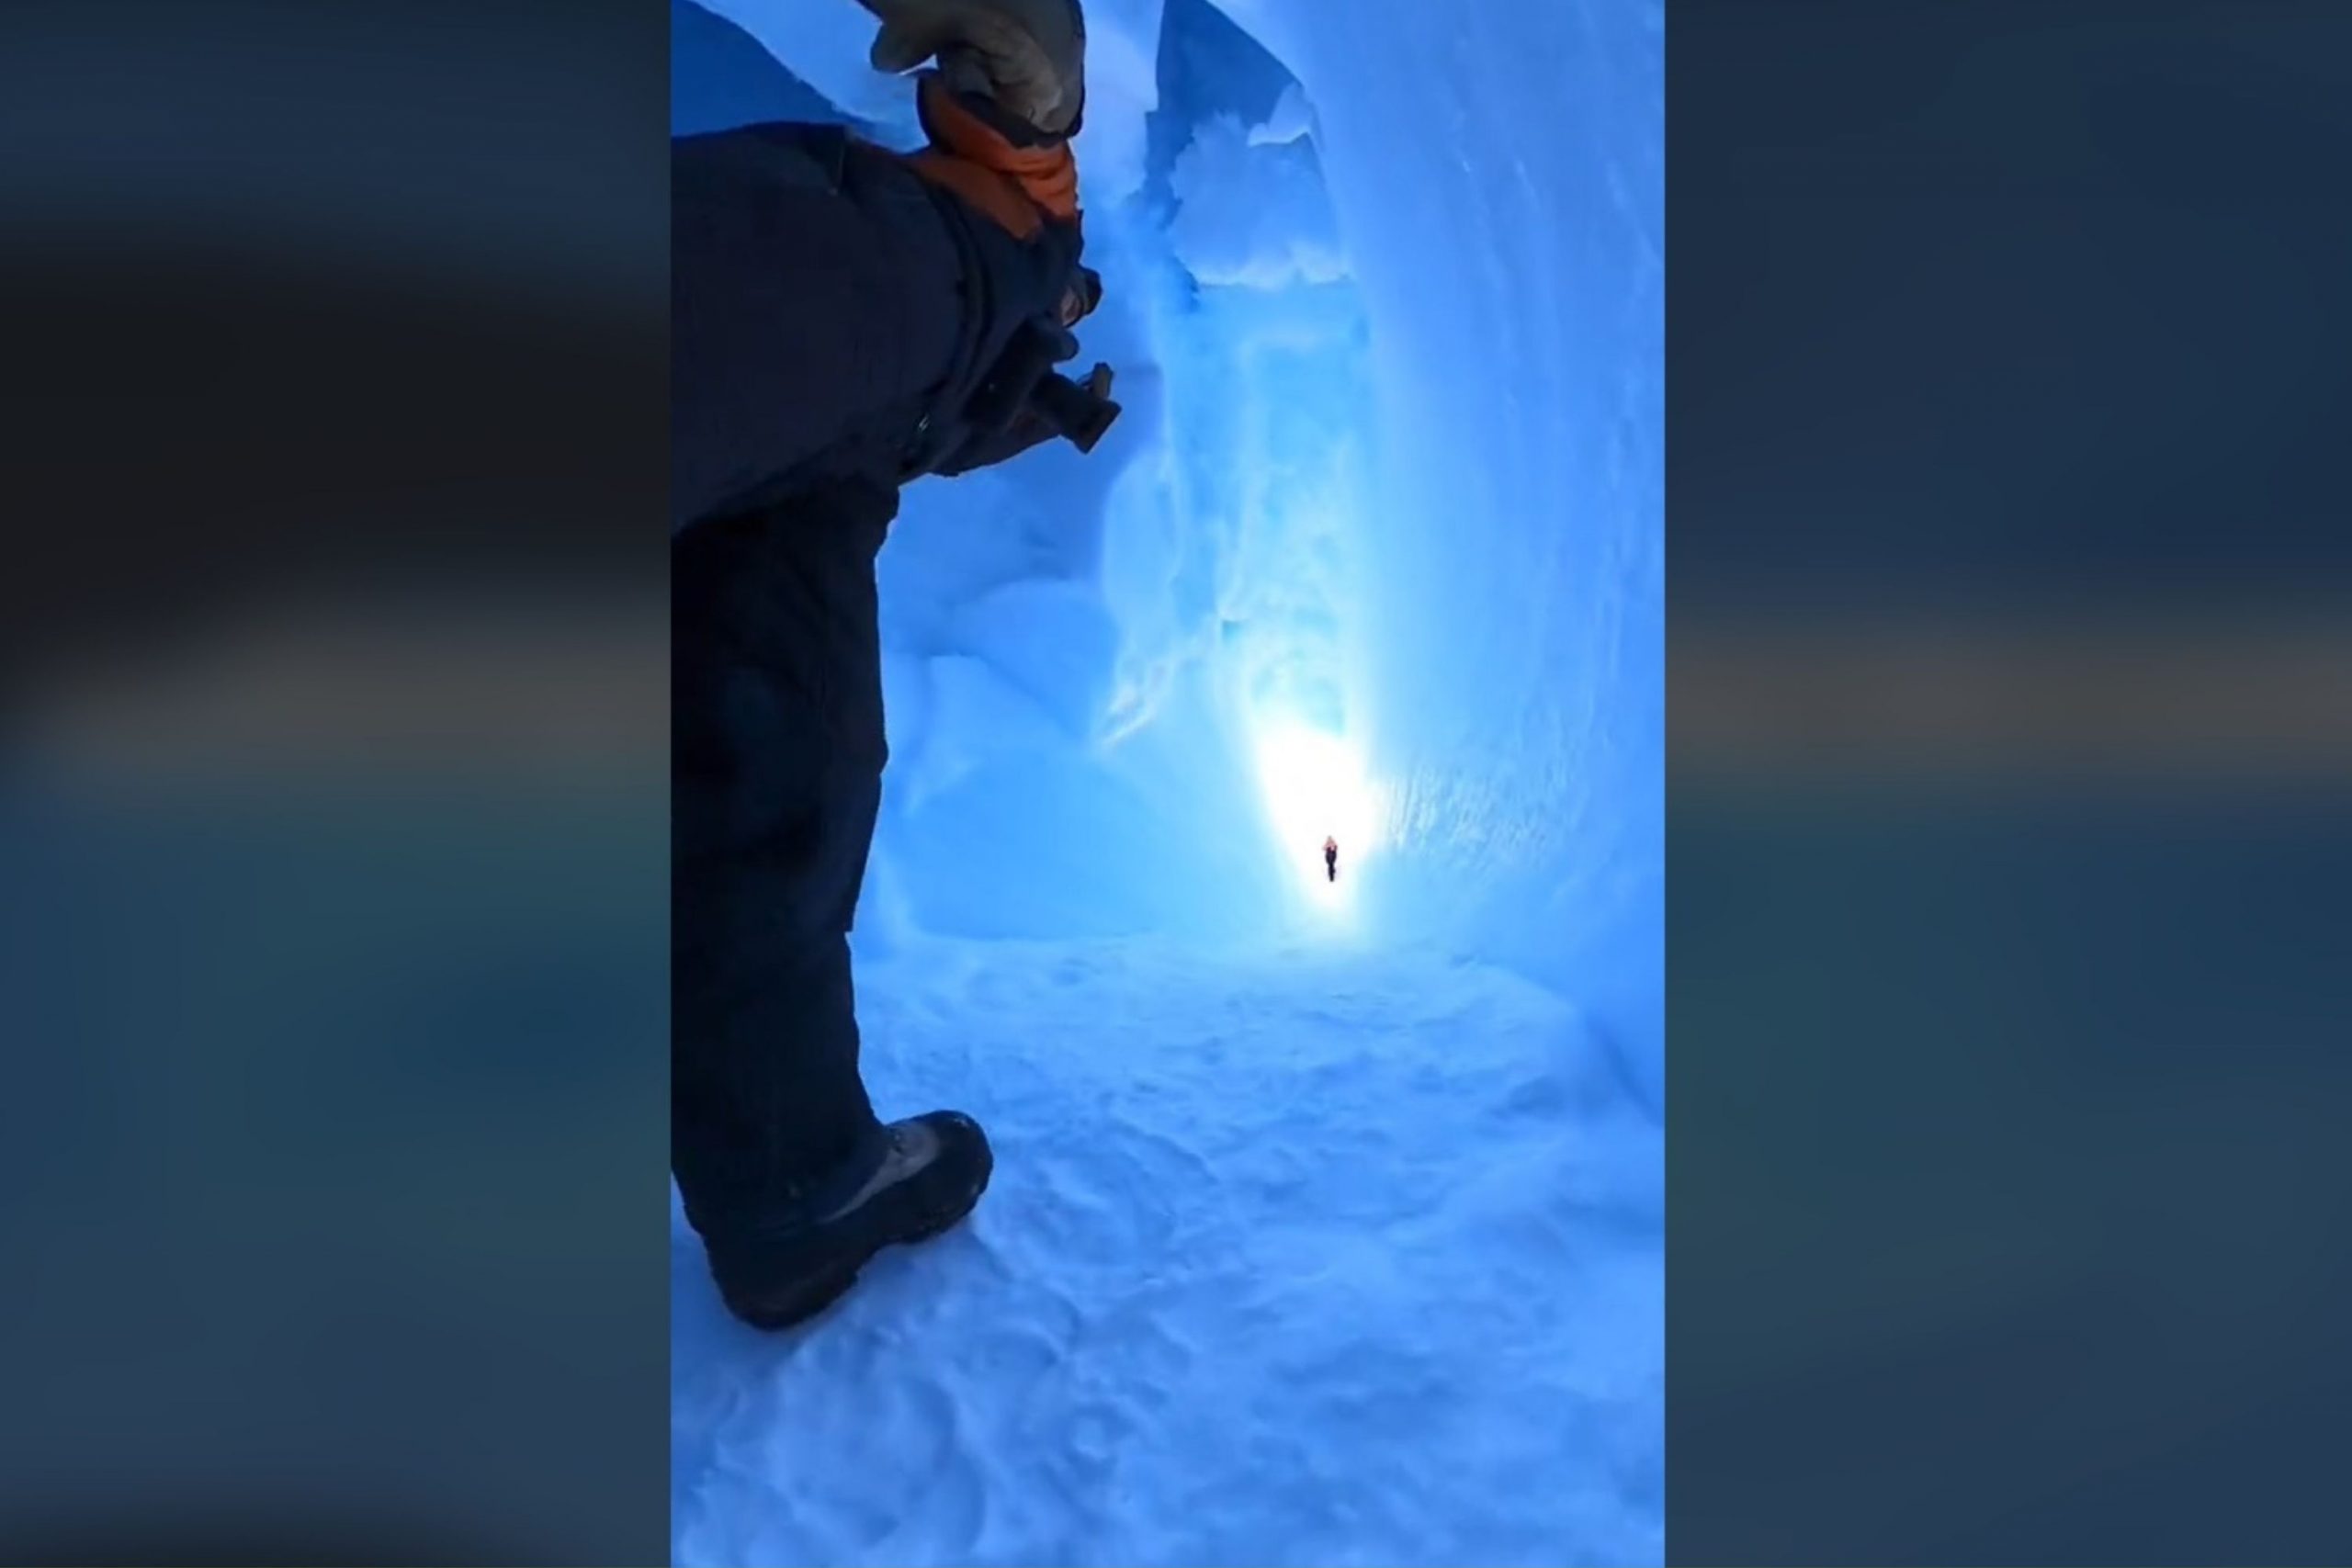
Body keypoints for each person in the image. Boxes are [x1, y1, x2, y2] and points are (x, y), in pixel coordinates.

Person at [671, 0, 1100, 1330]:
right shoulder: (898, 282)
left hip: (847, 386)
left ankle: (797, 1186)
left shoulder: (834, 446)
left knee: (785, 749)